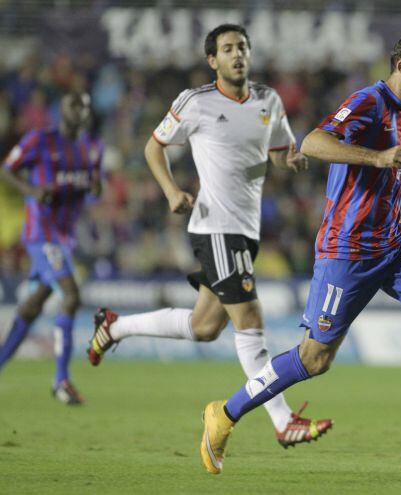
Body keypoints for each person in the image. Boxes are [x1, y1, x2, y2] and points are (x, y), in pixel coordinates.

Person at [199, 28, 401, 475]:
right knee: (314, 359)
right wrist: (377, 157)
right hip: (346, 251)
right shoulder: (369, 102)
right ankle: (225, 413)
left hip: (393, 244)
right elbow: (312, 141)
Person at [86, 24, 332, 447]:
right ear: (212, 60)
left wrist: (290, 161)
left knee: (204, 326)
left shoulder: (267, 101)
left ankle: (115, 326)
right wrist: (171, 191)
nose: (237, 54)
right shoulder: (195, 102)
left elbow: (276, 155)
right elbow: (153, 147)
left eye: (242, 47)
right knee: (251, 320)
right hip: (215, 225)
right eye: (227, 49)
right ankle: (283, 421)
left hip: (245, 229)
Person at [0, 91, 102, 405]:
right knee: (71, 295)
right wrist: (32, 190)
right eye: (74, 103)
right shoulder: (40, 140)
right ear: (62, 109)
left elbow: (94, 189)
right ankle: (61, 381)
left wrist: (96, 186)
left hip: (64, 239)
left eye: (85, 105)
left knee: (31, 308)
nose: (80, 109)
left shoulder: (89, 148)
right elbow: (6, 169)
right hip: (40, 233)